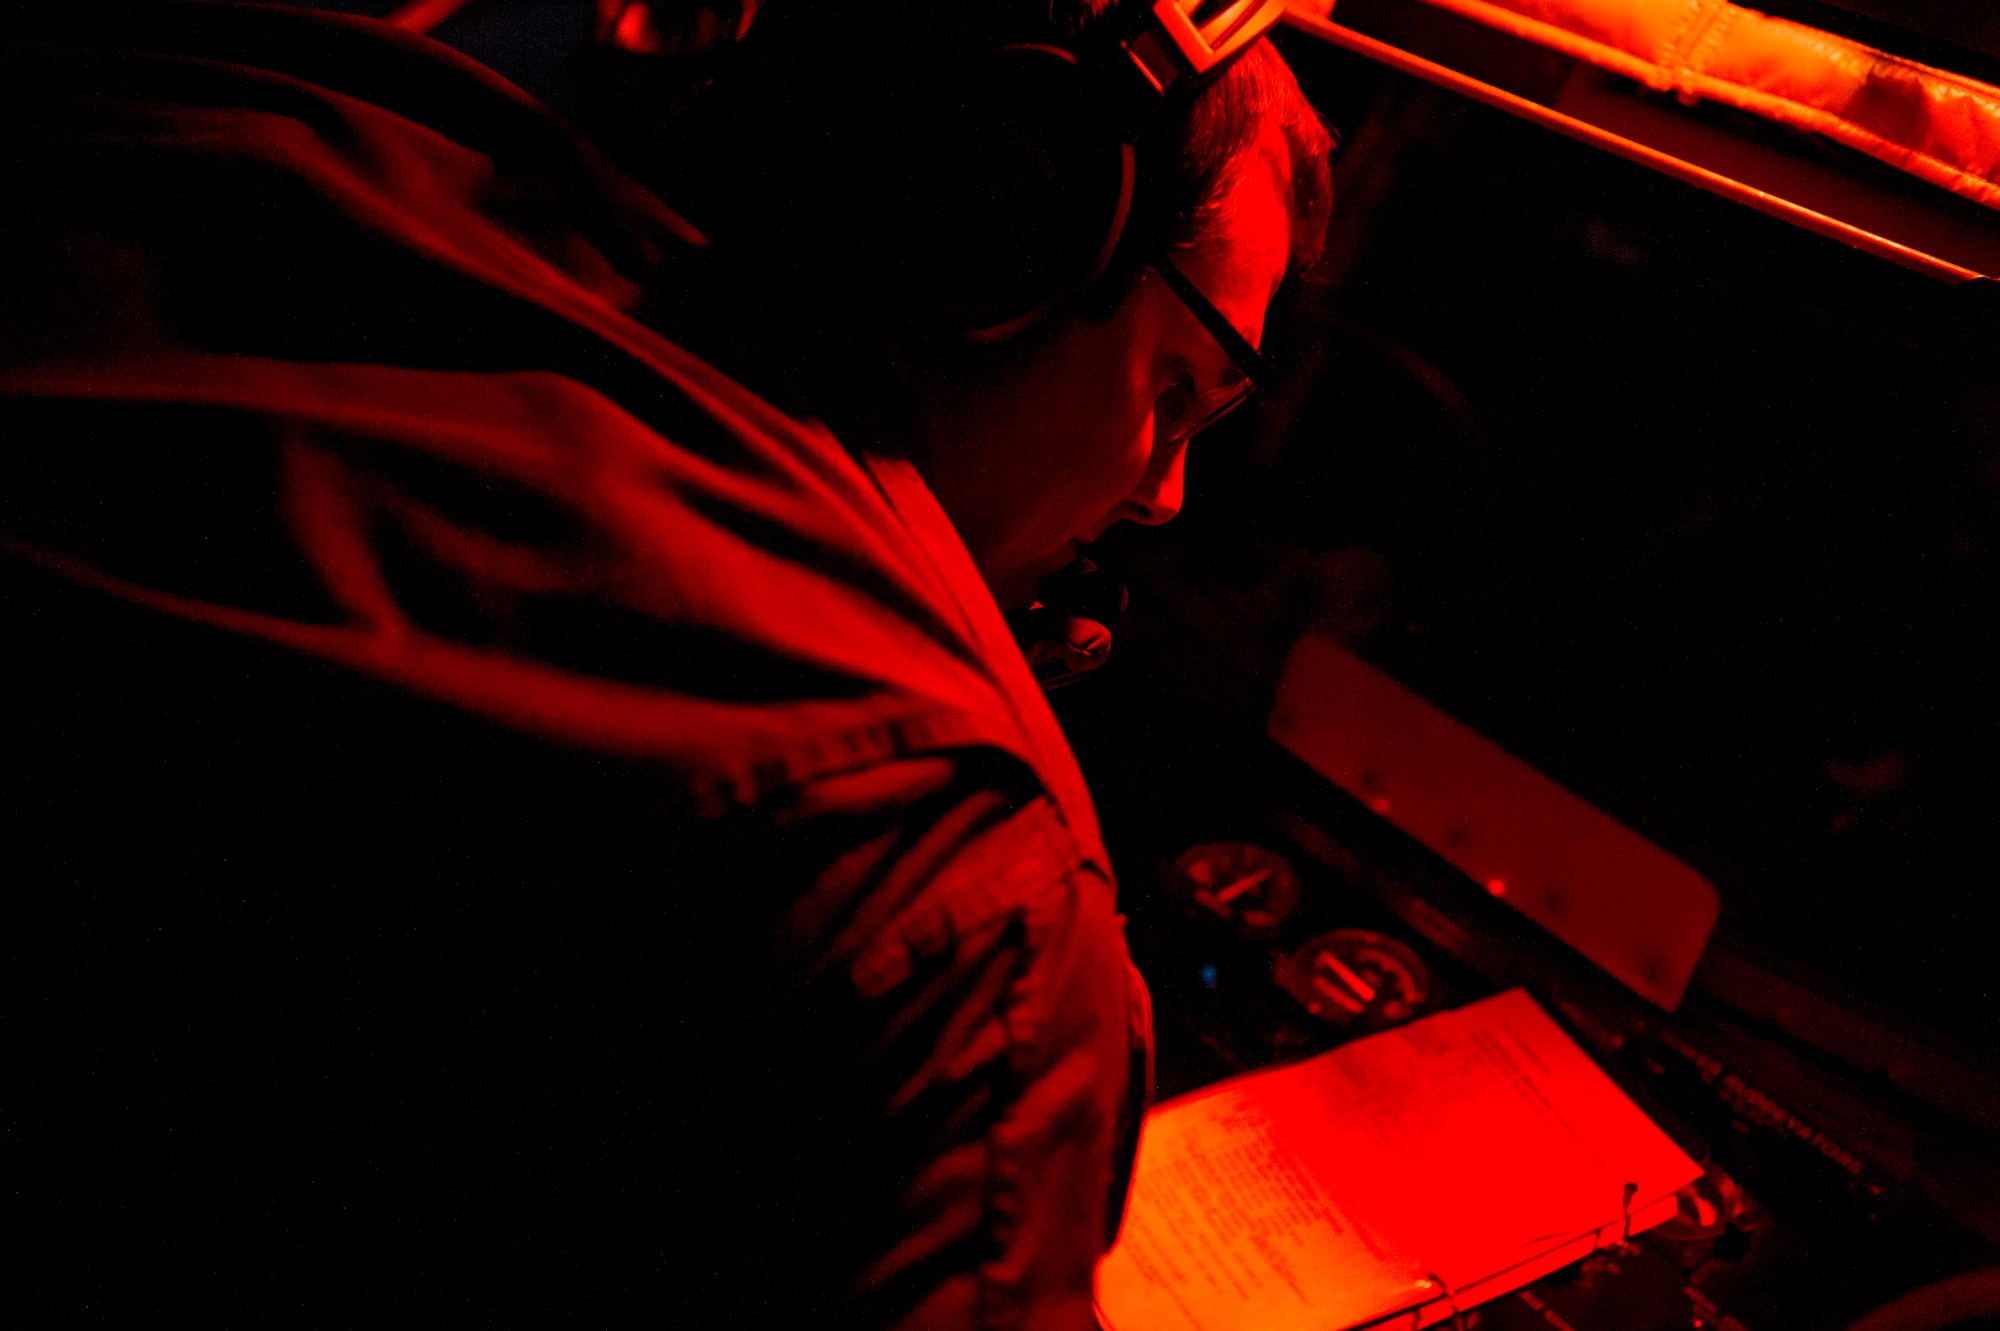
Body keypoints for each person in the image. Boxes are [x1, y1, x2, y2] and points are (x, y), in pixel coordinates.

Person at [0, 1, 1331, 1326]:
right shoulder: (961, 895)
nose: (1166, 493)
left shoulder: (237, 125)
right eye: (1175, 393)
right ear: (1001, 235)